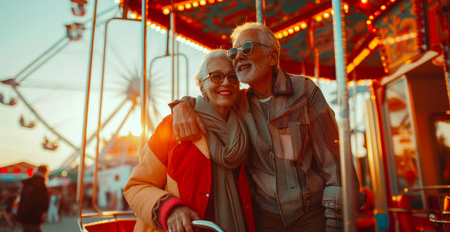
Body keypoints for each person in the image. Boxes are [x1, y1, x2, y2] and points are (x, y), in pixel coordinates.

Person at [171, 22, 364, 231]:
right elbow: (208, 99)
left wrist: (334, 221)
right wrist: (181, 106)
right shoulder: (239, 102)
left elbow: (334, 162)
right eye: (234, 52)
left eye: (247, 49)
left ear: (272, 57)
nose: (238, 57)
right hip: (264, 218)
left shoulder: (305, 91)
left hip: (310, 215)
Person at [124, 50, 255, 232]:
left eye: (232, 77)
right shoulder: (172, 127)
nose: (226, 82)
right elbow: (136, 186)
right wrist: (170, 209)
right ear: (201, 87)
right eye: (216, 76)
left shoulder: (246, 126)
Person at [17, 165, 49, 232]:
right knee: (33, 229)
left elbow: (22, 199)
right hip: (34, 215)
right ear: (45, 172)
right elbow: (43, 200)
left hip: (24, 213)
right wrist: (44, 210)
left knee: (28, 229)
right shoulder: (40, 184)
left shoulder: (27, 182)